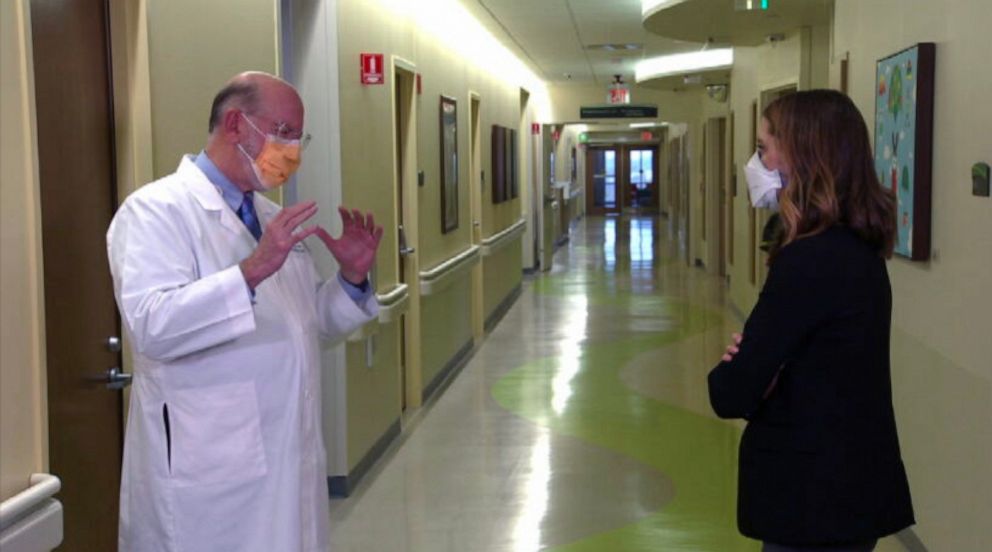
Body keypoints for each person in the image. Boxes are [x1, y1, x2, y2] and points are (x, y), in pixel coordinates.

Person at [107, 71, 383, 552]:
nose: (293, 151)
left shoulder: (272, 217)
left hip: (286, 460)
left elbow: (303, 325)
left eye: (299, 137)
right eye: (283, 133)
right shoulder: (154, 211)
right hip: (208, 478)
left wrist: (352, 279)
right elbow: (153, 326)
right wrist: (250, 271)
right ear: (235, 123)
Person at [707, 90, 914, 552]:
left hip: (812, 498)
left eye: (764, 149)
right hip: (849, 488)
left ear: (802, 157)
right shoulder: (859, 249)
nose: (756, 164)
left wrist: (751, 368)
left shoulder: (809, 260)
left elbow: (731, 389)